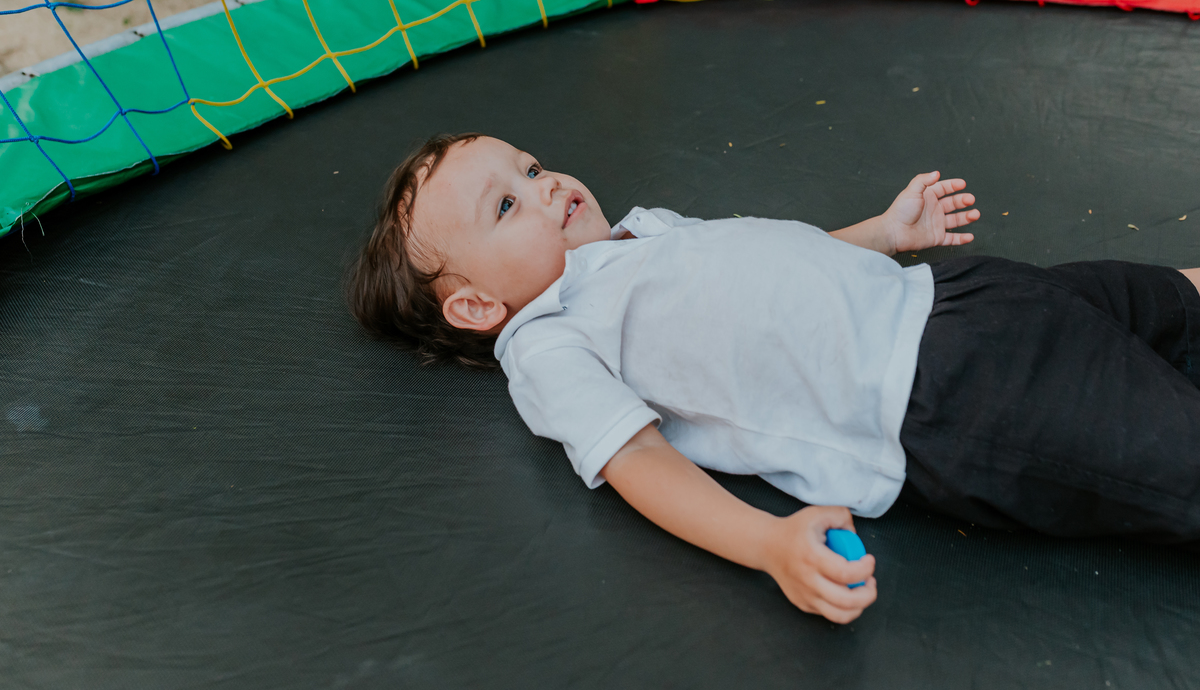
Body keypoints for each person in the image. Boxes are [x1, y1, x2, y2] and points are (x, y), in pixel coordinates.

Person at [348, 133, 1200, 624]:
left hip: (957, 295)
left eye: (531, 169)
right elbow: (636, 459)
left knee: (1169, 296)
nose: (545, 187)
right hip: (949, 398)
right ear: (476, 306)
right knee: (1172, 449)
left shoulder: (639, 231)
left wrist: (882, 232)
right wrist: (767, 543)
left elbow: (786, 267)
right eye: (506, 206)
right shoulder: (547, 341)